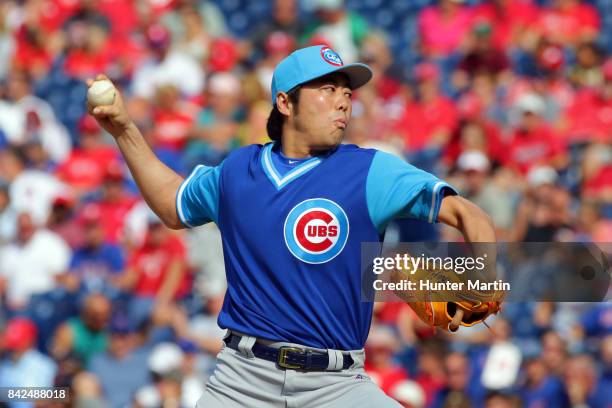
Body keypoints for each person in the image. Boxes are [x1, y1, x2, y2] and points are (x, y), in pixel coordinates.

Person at [88, 44, 496, 407]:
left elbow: (467, 214)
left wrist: (484, 276)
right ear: (285, 103)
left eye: (346, 92)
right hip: (241, 382)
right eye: (327, 89)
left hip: (337, 385)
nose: (342, 102)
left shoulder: (370, 171)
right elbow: (173, 205)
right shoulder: (237, 172)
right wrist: (124, 130)